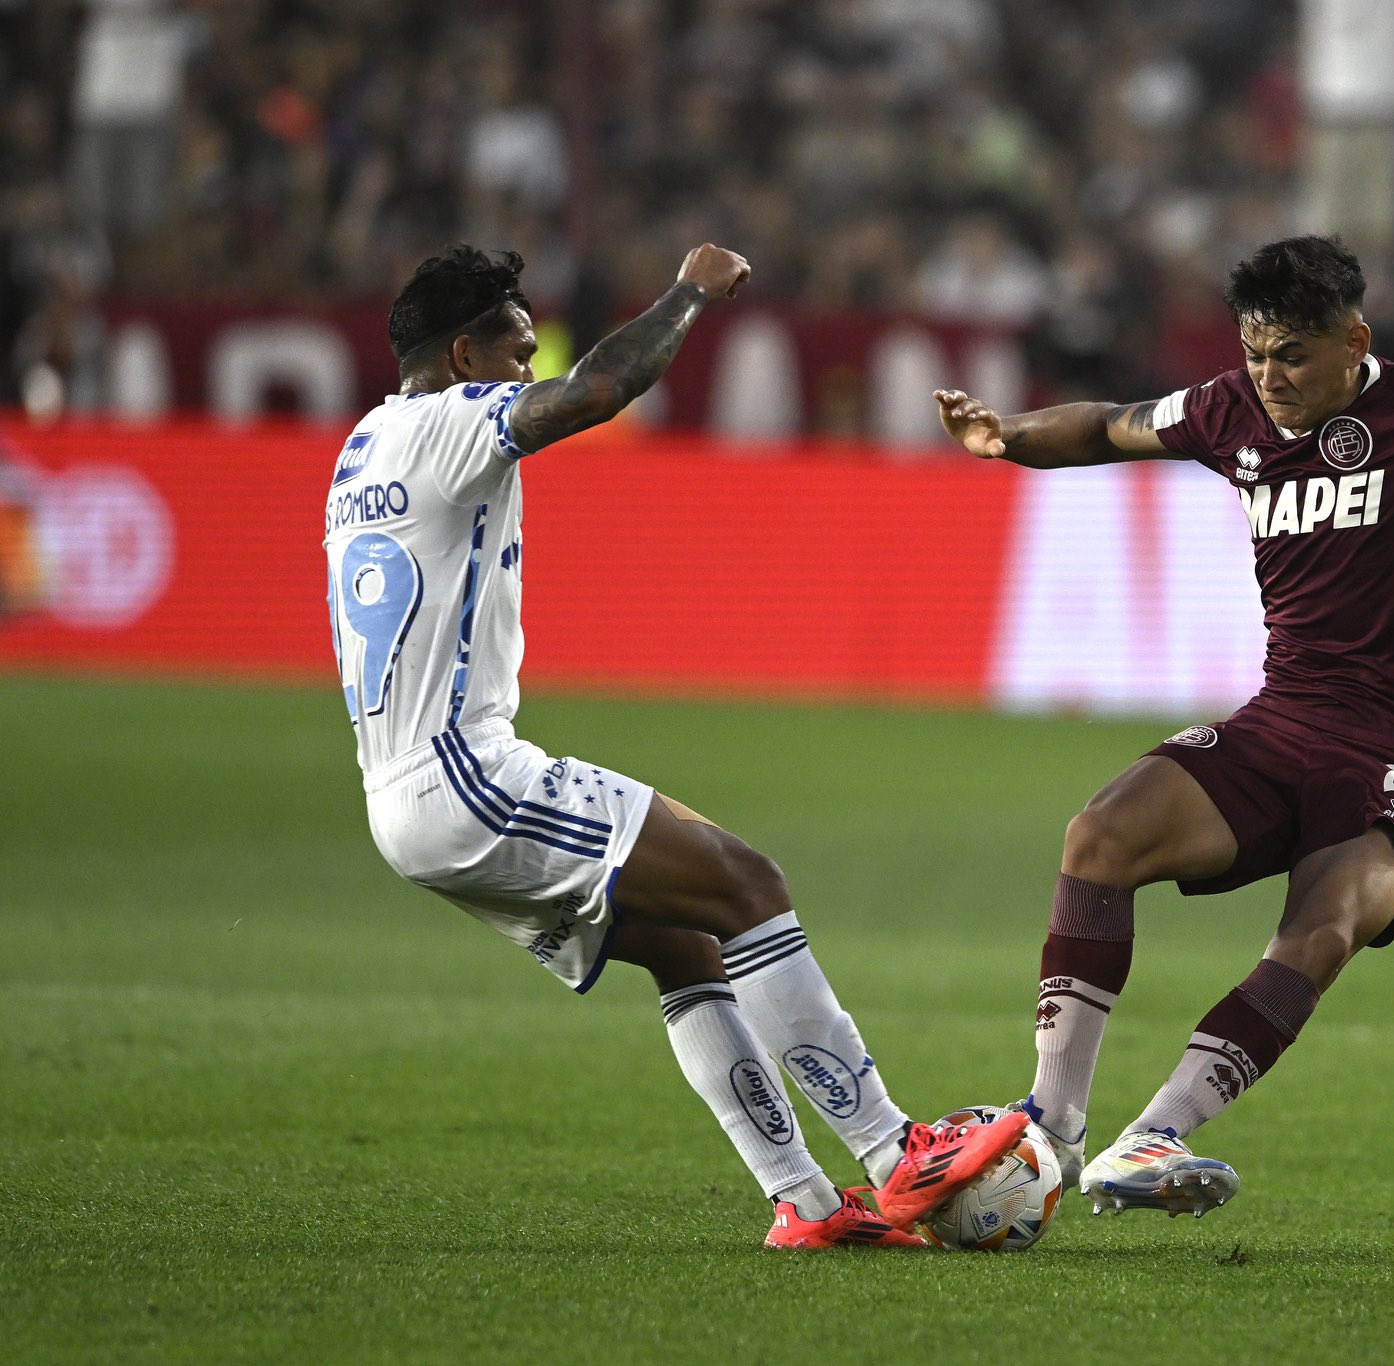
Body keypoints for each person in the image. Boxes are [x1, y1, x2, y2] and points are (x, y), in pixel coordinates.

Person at [933, 64, 1394, 1216]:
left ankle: (1150, 1139)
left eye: (1293, 357)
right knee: (1098, 834)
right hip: (1282, 722)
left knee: (1320, 927)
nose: (1268, 379)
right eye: (1256, 353)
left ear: (1352, 338)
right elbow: (1114, 425)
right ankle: (1049, 1125)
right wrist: (1007, 436)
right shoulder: (1228, 409)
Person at [324, 242, 1024, 1249]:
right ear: (466, 352)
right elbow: (601, 388)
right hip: (471, 777)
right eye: (519, 350)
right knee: (747, 882)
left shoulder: (362, 450)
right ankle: (892, 1152)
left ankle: (806, 1202)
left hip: (398, 803)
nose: (531, 371)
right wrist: (690, 291)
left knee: (684, 941)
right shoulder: (450, 420)